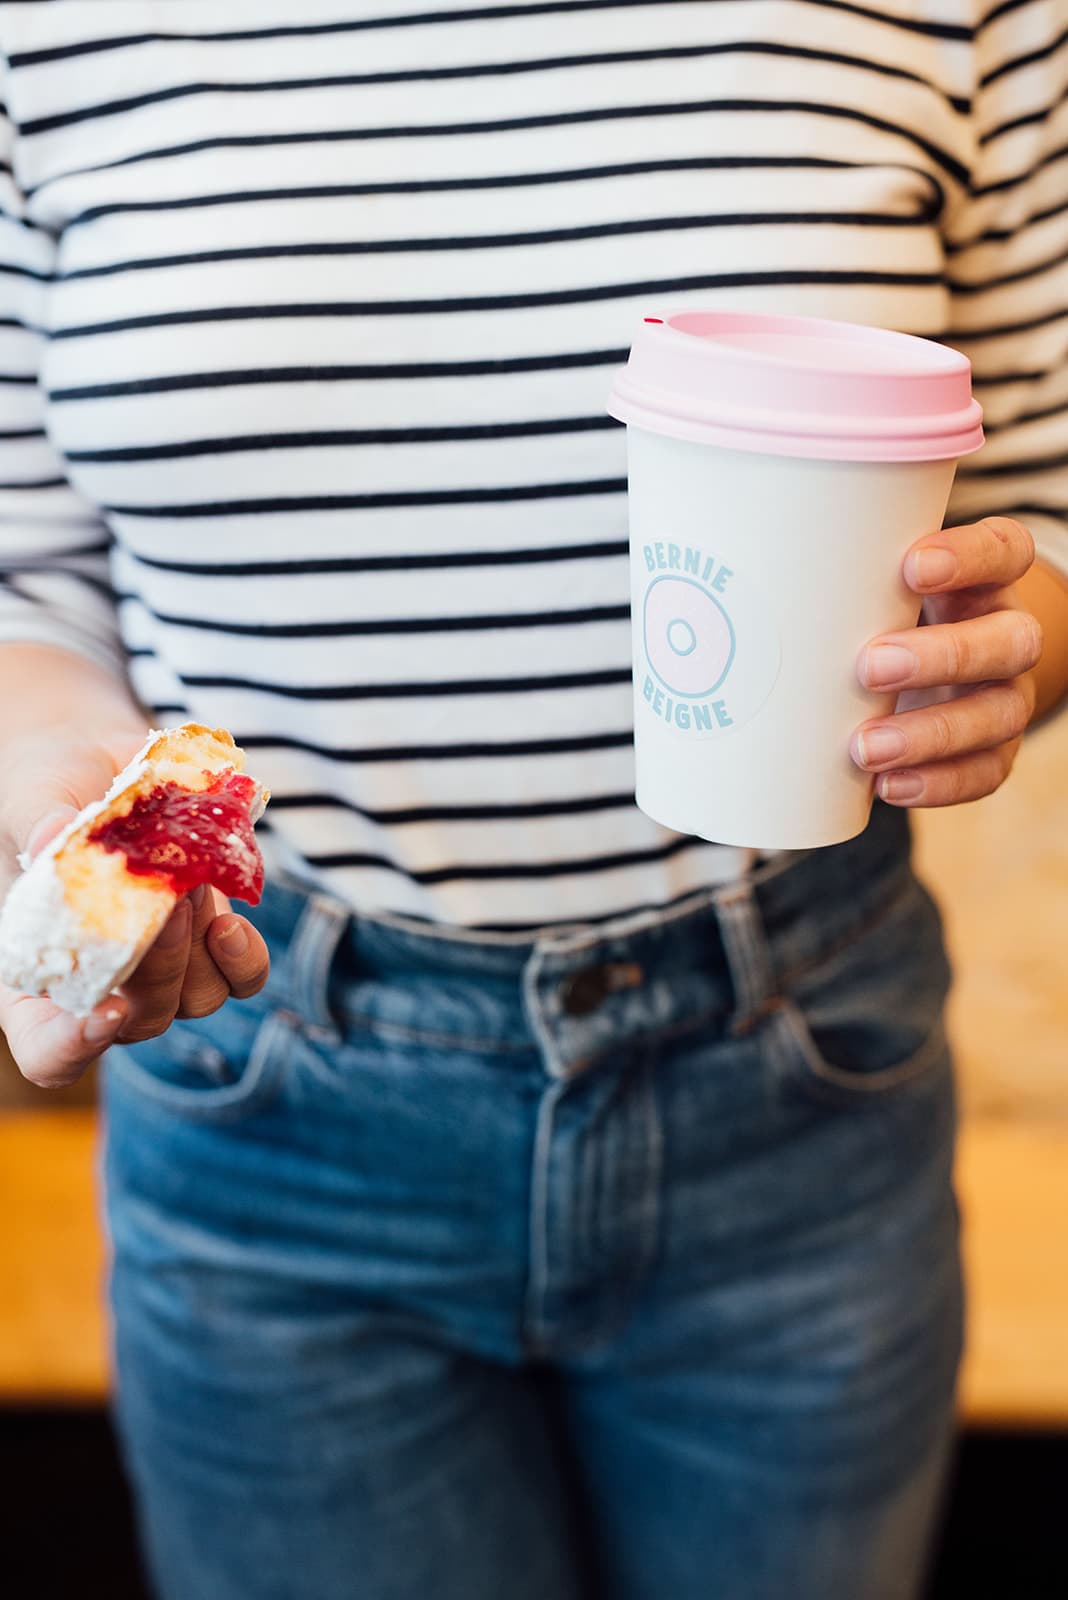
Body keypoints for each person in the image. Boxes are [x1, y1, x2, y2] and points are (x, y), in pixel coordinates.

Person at [1, 4, 1066, 1597]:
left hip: (798, 1084)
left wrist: (1024, 644)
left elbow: (1051, 491)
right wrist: (68, 800)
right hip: (266, 1105)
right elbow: (26, 582)